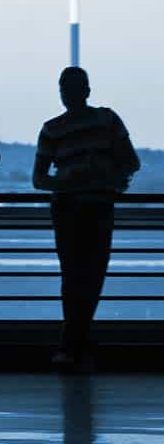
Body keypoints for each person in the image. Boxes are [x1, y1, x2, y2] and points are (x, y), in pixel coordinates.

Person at [33, 67, 139, 372]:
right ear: (88, 91)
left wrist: (66, 180)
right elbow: (131, 162)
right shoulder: (107, 121)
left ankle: (72, 344)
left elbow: (39, 179)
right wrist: (108, 178)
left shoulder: (52, 130)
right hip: (98, 207)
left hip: (67, 210)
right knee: (92, 276)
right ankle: (76, 344)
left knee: (73, 276)